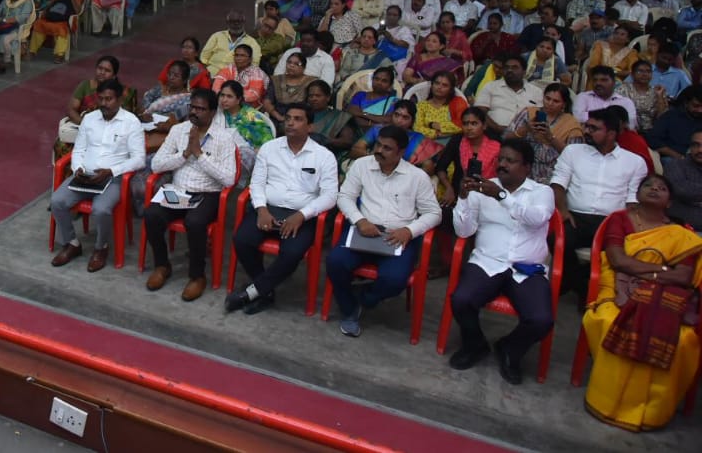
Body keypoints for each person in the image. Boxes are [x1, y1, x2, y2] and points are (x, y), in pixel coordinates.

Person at [582, 175, 702, 431]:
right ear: (637, 194)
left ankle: (650, 412)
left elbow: (684, 276)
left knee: (682, 339)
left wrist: (649, 276)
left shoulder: (682, 233)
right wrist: (662, 269)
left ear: (670, 202)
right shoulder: (620, 219)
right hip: (618, 286)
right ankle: (607, 402)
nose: (655, 189)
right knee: (611, 320)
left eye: (662, 188)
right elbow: (617, 261)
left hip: (666, 294)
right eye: (649, 185)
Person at [448, 138, 557, 384]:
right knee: (461, 299)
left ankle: (510, 349)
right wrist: (464, 198)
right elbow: (463, 232)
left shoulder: (542, 192)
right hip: (488, 261)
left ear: (527, 167)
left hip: (526, 268)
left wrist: (500, 196)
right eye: (501, 160)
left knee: (541, 320)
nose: (503, 165)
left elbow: (536, 219)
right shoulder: (482, 189)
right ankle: (475, 345)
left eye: (511, 161)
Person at [327, 125, 442, 337]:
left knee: (395, 280)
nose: (379, 150)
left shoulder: (417, 177)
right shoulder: (362, 165)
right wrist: (360, 220)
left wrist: (409, 231)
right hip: (364, 231)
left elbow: (434, 213)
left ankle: (363, 298)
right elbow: (344, 197)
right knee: (335, 262)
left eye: (387, 148)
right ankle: (349, 309)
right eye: (378, 144)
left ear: (400, 152)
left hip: (396, 238)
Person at [226, 103, 339, 315]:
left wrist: (301, 215)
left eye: (298, 119)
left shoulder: (324, 156)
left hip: (301, 215)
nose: (290, 123)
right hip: (268, 209)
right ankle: (265, 291)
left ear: (310, 126)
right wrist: (261, 209)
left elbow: (330, 196)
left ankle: (253, 292)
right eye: (288, 118)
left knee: (292, 252)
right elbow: (257, 183)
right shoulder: (270, 148)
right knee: (242, 240)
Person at [144, 88, 244, 301]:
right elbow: (156, 164)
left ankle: (197, 276)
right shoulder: (178, 130)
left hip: (208, 193)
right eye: (192, 107)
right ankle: (162, 266)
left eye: (201, 109)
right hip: (178, 190)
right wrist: (185, 154)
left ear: (213, 112)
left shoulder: (225, 138)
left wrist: (199, 154)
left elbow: (228, 179)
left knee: (195, 222)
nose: (195, 113)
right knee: (151, 215)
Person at [50, 78, 147, 273]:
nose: (104, 103)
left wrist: (111, 171)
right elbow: (79, 149)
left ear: (119, 100)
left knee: (101, 209)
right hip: (85, 175)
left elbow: (139, 160)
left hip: (113, 178)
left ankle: (101, 247)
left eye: (109, 99)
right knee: (57, 201)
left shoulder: (131, 122)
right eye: (101, 99)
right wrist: (77, 168)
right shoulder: (89, 118)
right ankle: (72, 243)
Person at [552, 108, 649, 295]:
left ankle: (581, 283)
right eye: (586, 126)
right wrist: (563, 212)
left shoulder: (635, 162)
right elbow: (558, 185)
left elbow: (632, 201)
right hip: (575, 217)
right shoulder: (572, 151)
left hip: (611, 222)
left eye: (594, 128)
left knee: (619, 251)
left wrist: (624, 227)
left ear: (611, 134)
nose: (586, 131)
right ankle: (579, 283)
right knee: (556, 239)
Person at [55, 56, 139, 158]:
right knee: (61, 145)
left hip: (111, 135)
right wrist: (86, 125)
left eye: (107, 70)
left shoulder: (123, 92)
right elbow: (71, 109)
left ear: (114, 75)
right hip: (86, 130)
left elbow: (127, 116)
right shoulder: (85, 86)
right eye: (100, 68)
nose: (102, 72)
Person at [509, 83, 585, 183]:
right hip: (521, 169)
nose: (550, 103)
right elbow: (506, 139)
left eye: (556, 101)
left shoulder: (571, 124)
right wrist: (525, 129)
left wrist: (550, 137)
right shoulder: (528, 113)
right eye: (547, 98)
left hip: (552, 176)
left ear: (564, 104)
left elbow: (575, 157)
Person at [217, 79, 274, 183]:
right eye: (222, 95)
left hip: (245, 161)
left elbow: (268, 144)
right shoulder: (217, 113)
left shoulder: (250, 116)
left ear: (238, 99)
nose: (224, 100)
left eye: (229, 96)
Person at [475, 56, 543, 135]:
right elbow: (479, 111)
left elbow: (542, 116)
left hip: (527, 136)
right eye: (506, 67)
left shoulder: (536, 91)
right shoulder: (491, 87)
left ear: (524, 71)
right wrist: (497, 128)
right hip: (494, 134)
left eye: (515, 67)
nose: (509, 70)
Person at [140, 61, 193, 152]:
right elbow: (147, 98)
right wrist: (147, 112)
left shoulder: (188, 99)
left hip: (165, 131)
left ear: (184, 80)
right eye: (169, 74)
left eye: (176, 76)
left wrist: (167, 122)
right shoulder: (160, 89)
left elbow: (177, 116)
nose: (171, 78)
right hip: (146, 125)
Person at [647, 85, 702, 161]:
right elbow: (653, 140)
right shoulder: (671, 116)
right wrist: (678, 156)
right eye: (696, 106)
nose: (700, 110)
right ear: (686, 103)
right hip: (675, 158)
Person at [201, 11, 261, 76]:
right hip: (211, 73)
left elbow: (254, 64)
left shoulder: (252, 42)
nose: (236, 24)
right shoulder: (217, 36)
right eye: (232, 21)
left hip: (235, 77)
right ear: (227, 22)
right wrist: (206, 73)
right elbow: (203, 57)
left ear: (244, 22)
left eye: (239, 21)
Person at [661, 131, 702, 227]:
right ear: (690, 147)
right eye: (696, 145)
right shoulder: (676, 165)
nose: (700, 150)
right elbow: (681, 190)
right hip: (684, 228)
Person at [617, 59, 669, 134]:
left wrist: (659, 96)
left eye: (648, 71)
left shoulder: (657, 91)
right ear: (632, 74)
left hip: (652, 131)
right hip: (628, 131)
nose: (644, 74)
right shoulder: (623, 89)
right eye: (640, 71)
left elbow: (663, 118)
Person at [414, 70, 468, 139]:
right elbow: (417, 128)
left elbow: (463, 125)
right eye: (437, 83)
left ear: (451, 89)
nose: (439, 87)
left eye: (445, 85)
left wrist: (432, 124)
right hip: (426, 143)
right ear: (432, 85)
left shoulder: (457, 103)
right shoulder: (421, 106)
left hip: (453, 143)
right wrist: (437, 134)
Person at [345, 65, 398, 130]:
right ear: (372, 80)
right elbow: (351, 112)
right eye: (376, 79)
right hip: (354, 131)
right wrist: (375, 123)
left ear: (390, 85)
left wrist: (363, 114)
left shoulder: (393, 102)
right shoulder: (360, 95)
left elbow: (388, 120)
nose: (379, 83)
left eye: (384, 81)